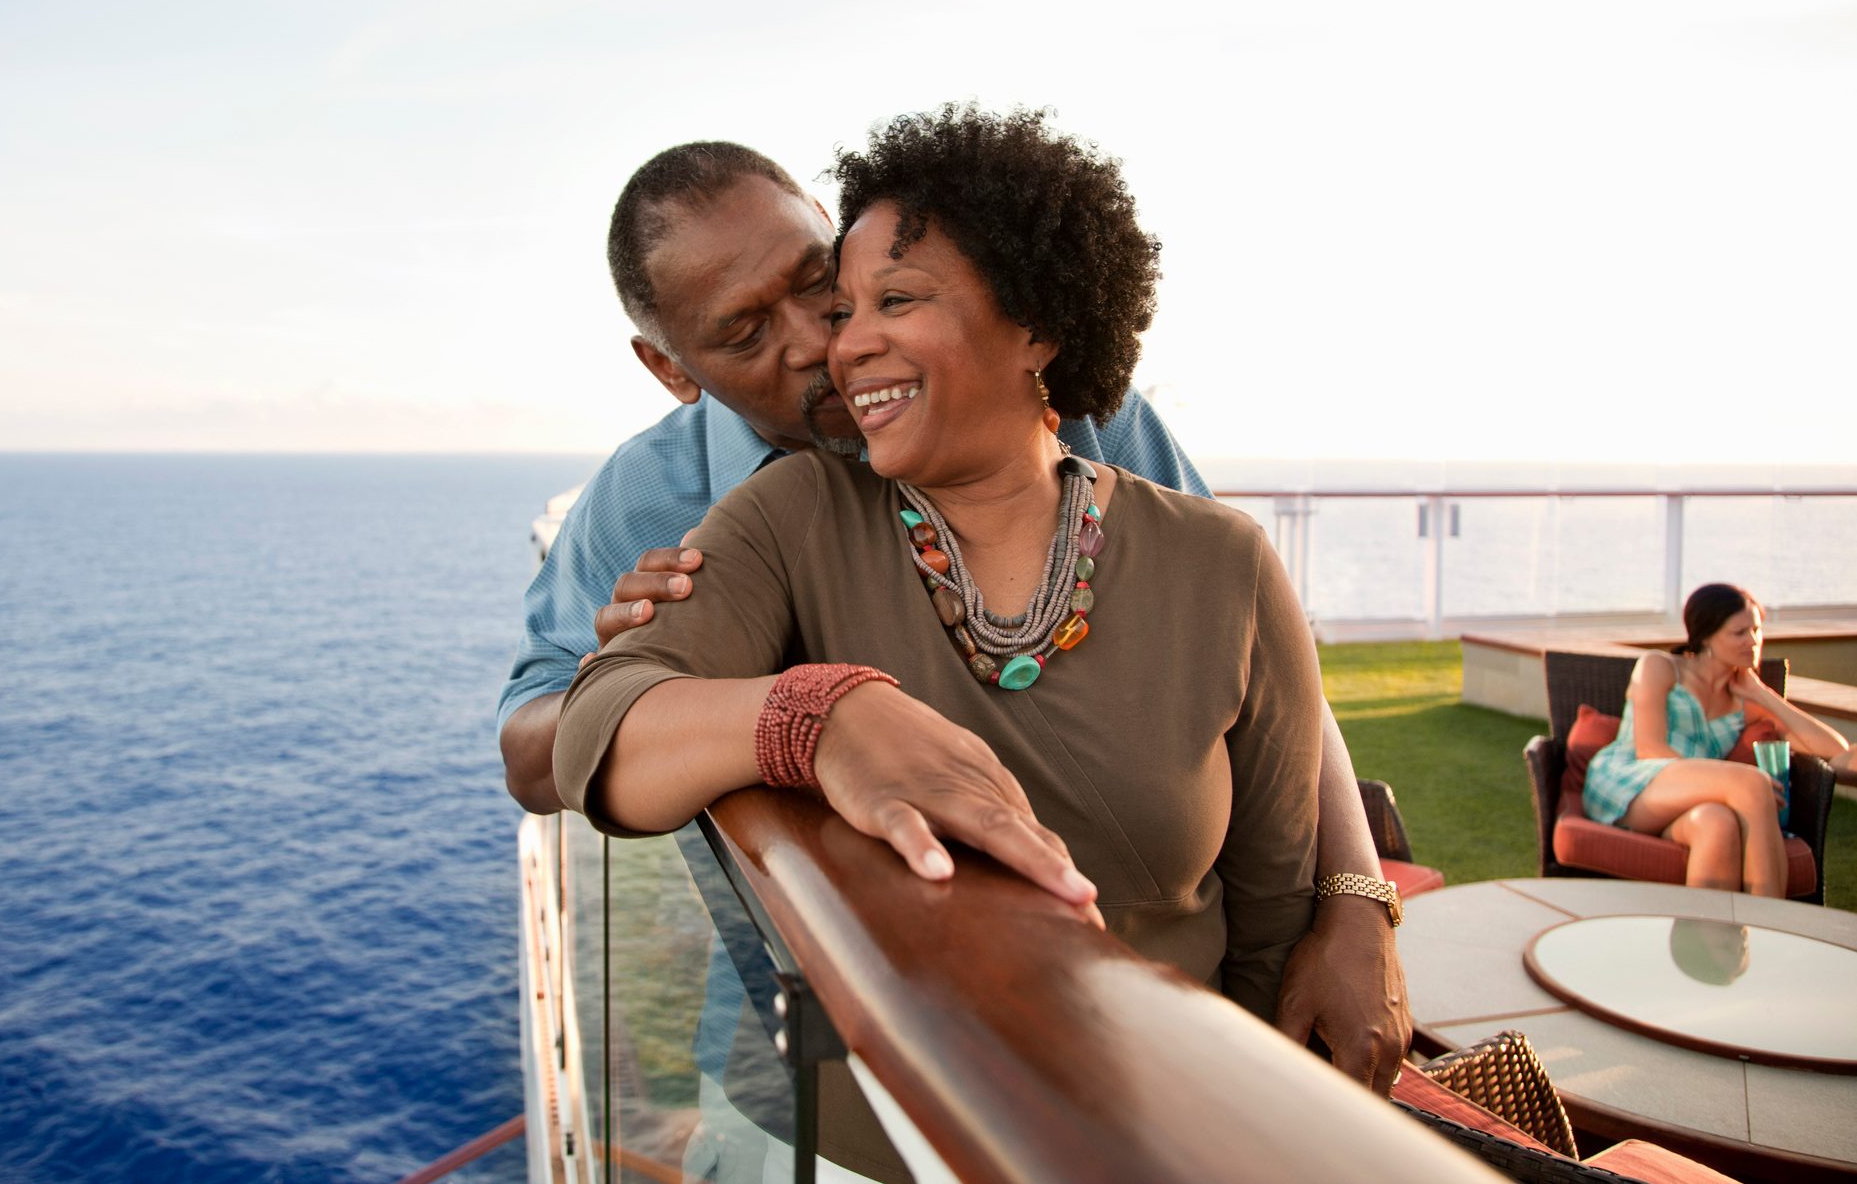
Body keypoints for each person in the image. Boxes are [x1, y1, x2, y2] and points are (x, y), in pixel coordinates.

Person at [496, 136, 1410, 1089]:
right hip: (820, 1021)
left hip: (1160, 1065)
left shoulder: (1078, 416)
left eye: (824, 285)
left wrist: (1355, 899)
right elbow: (537, 747)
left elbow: (1248, 661)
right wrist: (723, 698)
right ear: (670, 368)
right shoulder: (671, 505)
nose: (819, 342)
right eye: (743, 334)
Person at [1581, 582, 1854, 896]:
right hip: (1631, 782)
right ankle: (1774, 927)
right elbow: (1650, 749)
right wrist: (1726, 785)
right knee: (1750, 783)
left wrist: (1763, 695)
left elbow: (1834, 750)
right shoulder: (1660, 667)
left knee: (1717, 822)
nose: (1753, 641)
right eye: (1740, 633)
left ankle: (1713, 939)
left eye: (1757, 629)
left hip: (1694, 800)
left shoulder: (1745, 701)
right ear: (1706, 634)